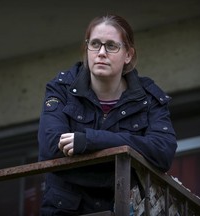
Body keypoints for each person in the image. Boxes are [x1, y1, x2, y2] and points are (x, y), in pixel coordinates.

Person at [38, 14, 177, 215]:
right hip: (66, 209)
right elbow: (50, 148)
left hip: (124, 208)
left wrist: (90, 141)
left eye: (111, 46)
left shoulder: (149, 98)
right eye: (95, 44)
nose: (101, 52)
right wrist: (120, 162)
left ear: (128, 55)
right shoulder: (61, 89)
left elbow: (163, 152)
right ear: (86, 49)